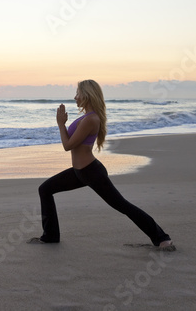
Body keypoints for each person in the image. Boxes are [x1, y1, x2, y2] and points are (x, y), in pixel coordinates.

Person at [27, 79, 175, 250]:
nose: (75, 97)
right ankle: (50, 236)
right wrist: (63, 124)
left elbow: (68, 146)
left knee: (123, 205)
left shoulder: (91, 119)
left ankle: (162, 238)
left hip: (91, 172)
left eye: (78, 94)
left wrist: (61, 124)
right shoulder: (86, 117)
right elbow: (71, 142)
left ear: (87, 95)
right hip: (79, 172)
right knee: (45, 189)